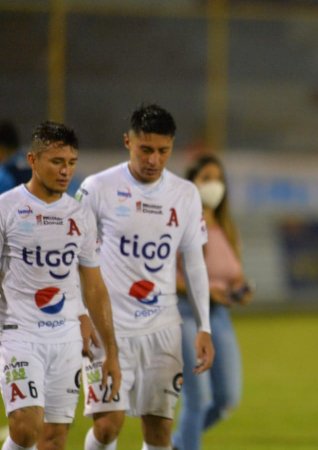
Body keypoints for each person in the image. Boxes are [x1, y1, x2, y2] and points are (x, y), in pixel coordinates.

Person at [76, 104, 214, 450]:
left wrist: (204, 326)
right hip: (108, 328)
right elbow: (75, 257)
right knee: (107, 426)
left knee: (159, 430)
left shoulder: (185, 194)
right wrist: (79, 313)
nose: (154, 159)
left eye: (163, 151)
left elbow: (194, 263)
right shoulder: (98, 188)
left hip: (162, 329)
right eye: (146, 149)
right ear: (128, 142)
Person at [0, 121, 121, 450]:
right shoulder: (6, 208)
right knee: (26, 428)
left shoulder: (80, 216)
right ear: (33, 160)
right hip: (18, 333)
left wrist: (110, 349)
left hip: (66, 337)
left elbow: (93, 285)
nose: (65, 171)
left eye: (71, 162)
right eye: (57, 162)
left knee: (54, 438)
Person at [172, 155, 251, 450]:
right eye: (206, 178)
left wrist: (240, 289)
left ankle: (174, 444)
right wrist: (204, 292)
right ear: (191, 182)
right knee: (198, 399)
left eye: (218, 179)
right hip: (185, 313)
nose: (214, 185)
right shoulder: (179, 222)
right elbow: (163, 276)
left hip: (218, 315)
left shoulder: (226, 226)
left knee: (227, 398)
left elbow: (235, 274)